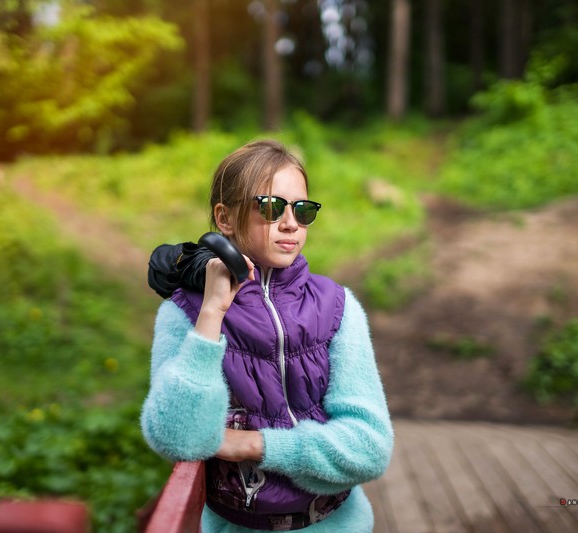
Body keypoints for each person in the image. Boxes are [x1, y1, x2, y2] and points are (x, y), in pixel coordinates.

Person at [141, 139, 393, 532]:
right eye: (272, 207)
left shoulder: (338, 307)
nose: (291, 223)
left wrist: (253, 444)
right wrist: (211, 314)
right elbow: (177, 438)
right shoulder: (184, 313)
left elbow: (369, 449)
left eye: (303, 210)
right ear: (224, 219)